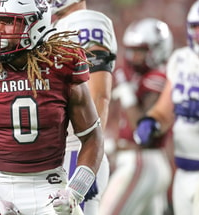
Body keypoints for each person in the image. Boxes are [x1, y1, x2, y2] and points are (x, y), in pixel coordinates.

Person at [0, 0, 104, 214]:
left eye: (8, 23)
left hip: (51, 187)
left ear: (36, 24)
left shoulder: (61, 64)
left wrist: (76, 190)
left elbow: (92, 137)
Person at [99, 18, 174, 215]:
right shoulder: (140, 77)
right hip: (144, 162)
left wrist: (128, 96)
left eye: (140, 50)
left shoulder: (158, 77)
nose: (133, 56)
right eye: (131, 50)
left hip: (142, 161)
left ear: (156, 49)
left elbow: (143, 131)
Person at [49, 0, 117, 214]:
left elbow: (99, 94)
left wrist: (87, 159)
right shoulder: (58, 25)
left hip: (76, 151)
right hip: (63, 152)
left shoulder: (84, 22)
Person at [134, 2, 199, 215]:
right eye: (195, 26)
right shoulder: (180, 60)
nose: (197, 33)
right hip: (183, 172)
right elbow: (165, 109)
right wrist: (151, 121)